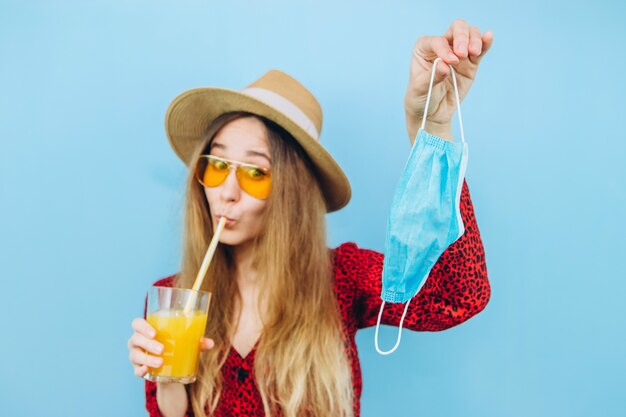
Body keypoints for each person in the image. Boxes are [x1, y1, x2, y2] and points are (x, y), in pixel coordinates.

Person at [128, 19, 493, 417]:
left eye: (254, 173)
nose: (226, 192)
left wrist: (434, 128)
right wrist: (165, 377)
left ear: (292, 193)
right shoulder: (173, 302)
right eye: (217, 166)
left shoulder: (342, 279)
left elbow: (458, 297)